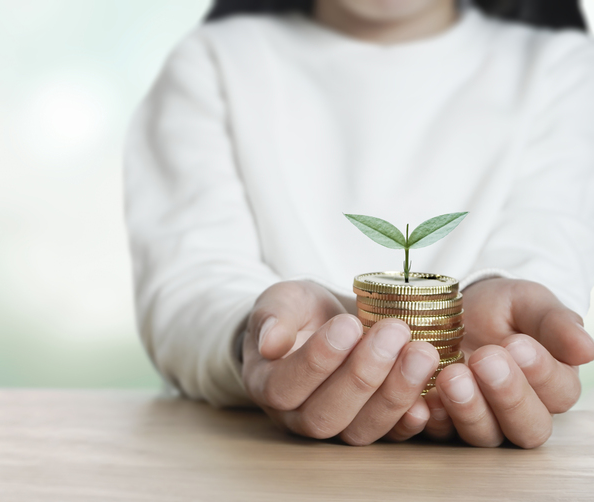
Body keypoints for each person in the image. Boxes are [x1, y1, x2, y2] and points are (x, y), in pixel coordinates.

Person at [123, 0, 594, 448]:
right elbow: (189, 281)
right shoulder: (214, 63)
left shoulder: (562, 66)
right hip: (262, 465)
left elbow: (549, 253)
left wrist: (518, 327)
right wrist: (254, 335)